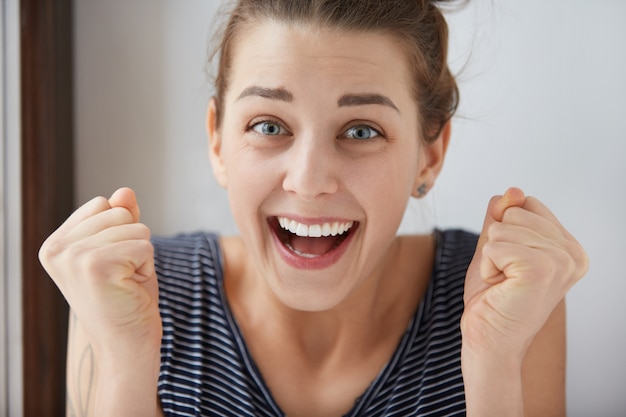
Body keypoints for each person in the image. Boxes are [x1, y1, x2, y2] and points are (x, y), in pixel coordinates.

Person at [39, 0, 589, 416]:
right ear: (217, 141)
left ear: (430, 154)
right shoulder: (125, 295)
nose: (308, 182)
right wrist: (126, 362)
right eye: (269, 125)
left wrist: (493, 364)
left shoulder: (507, 298)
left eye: (360, 130)